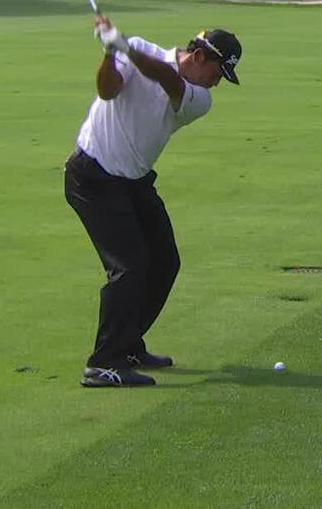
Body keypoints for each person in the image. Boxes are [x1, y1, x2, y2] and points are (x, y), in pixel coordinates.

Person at [65, 19, 244, 387]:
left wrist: (126, 47)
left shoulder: (198, 99)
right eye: (217, 73)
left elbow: (168, 80)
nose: (216, 83)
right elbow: (107, 90)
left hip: (134, 180)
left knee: (165, 261)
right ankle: (103, 363)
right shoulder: (141, 50)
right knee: (129, 268)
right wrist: (111, 53)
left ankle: (128, 345)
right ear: (197, 56)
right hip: (93, 175)